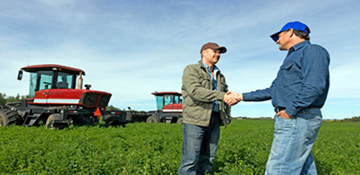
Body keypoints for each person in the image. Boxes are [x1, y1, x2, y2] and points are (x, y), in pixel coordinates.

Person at [228, 21, 330, 174]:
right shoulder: (292, 57)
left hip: (298, 117)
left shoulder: (313, 51)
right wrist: (241, 96)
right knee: (304, 170)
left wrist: (290, 112)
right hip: (297, 117)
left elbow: (314, 86)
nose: (276, 40)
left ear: (290, 32)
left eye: (278, 35)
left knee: (279, 169)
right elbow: (273, 90)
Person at [178, 42, 237, 175]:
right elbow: (195, 91)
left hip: (214, 119)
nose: (218, 54)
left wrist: (229, 106)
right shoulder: (192, 69)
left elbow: (224, 96)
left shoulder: (220, 75)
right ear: (203, 52)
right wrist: (222, 96)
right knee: (190, 160)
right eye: (215, 51)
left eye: (219, 52)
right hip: (195, 120)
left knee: (208, 159)